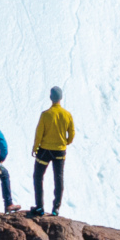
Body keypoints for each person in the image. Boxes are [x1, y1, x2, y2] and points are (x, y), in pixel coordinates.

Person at [32, 86, 75, 215]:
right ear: (61, 98)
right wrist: (66, 142)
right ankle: (56, 208)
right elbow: (72, 133)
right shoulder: (67, 115)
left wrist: (35, 148)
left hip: (45, 150)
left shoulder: (45, 115)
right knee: (58, 178)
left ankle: (39, 207)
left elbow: (39, 133)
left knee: (38, 176)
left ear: (51, 98)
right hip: (60, 151)